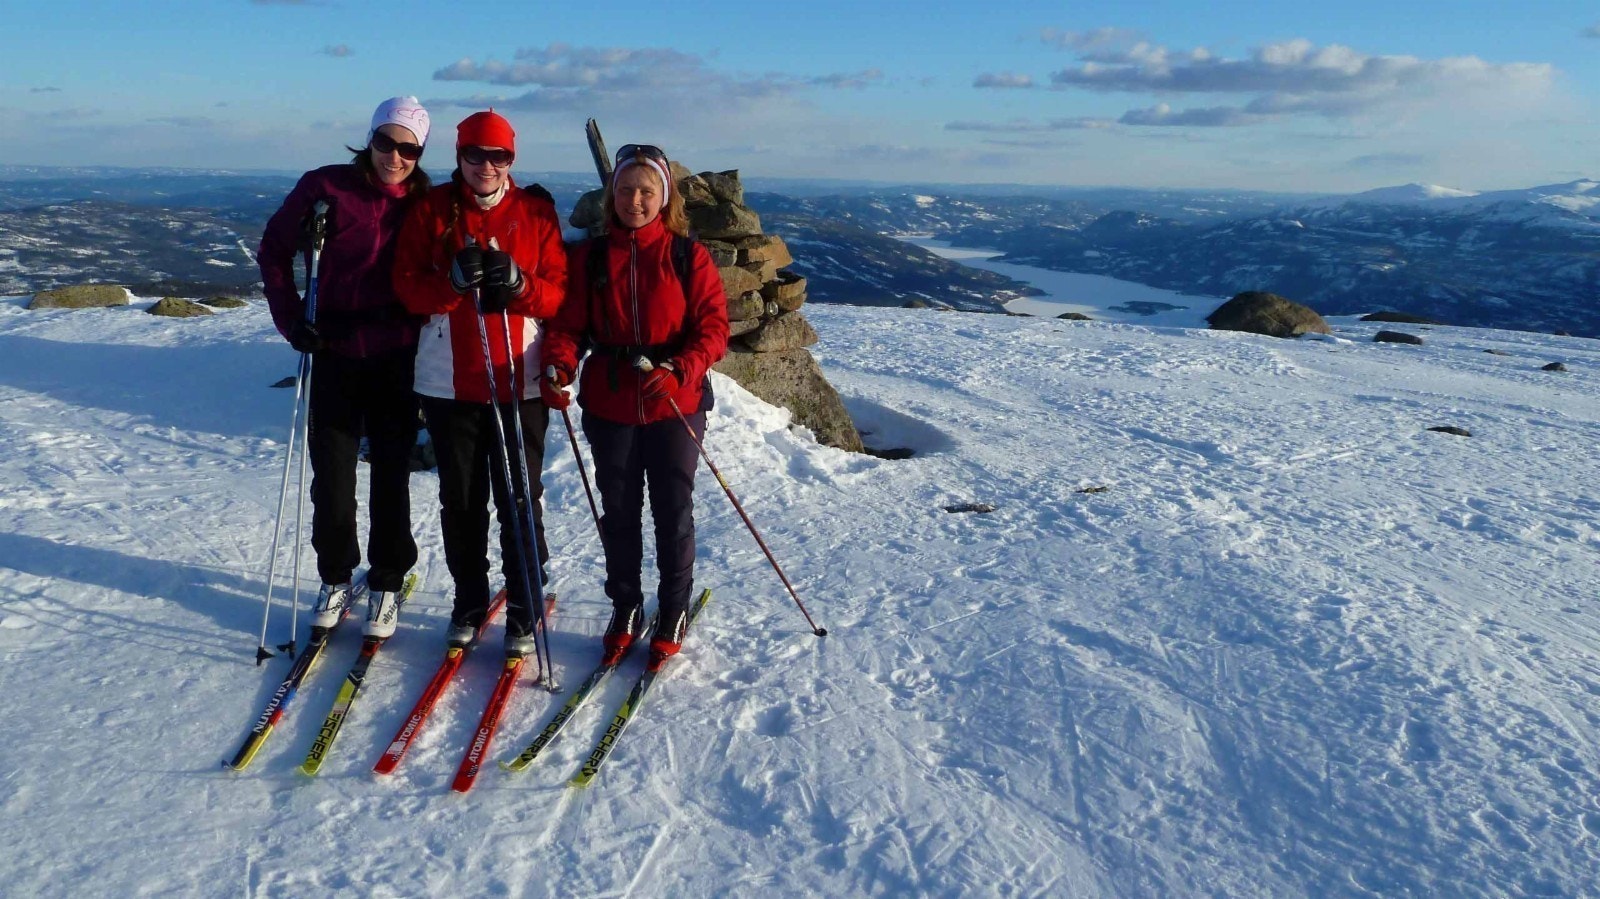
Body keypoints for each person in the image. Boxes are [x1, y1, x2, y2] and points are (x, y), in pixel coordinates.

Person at [543, 143, 730, 666]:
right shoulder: (591, 257)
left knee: (673, 510)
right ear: (612, 195)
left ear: (664, 197)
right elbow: (567, 325)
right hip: (611, 401)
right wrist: (558, 366)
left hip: (675, 402)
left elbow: (714, 328)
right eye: (626, 189)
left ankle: (672, 609)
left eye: (647, 191)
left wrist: (681, 368)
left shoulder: (686, 256)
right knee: (620, 511)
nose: (636, 200)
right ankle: (624, 604)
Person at [392, 110, 567, 655]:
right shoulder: (430, 211)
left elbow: (559, 294)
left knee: (519, 498)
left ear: (511, 160)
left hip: (521, 380)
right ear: (459, 154)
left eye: (499, 156)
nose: (486, 166)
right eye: (475, 154)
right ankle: (468, 599)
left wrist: (520, 283)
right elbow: (407, 289)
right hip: (448, 383)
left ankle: (523, 603)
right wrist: (449, 282)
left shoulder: (535, 214)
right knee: (460, 501)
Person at [258, 96, 432, 639]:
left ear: (420, 152)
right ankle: (335, 575)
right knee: (332, 476)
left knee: (390, 474)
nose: (395, 157)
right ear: (371, 138)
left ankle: (385, 581)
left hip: (398, 353)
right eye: (386, 142)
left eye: (409, 148)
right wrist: (292, 323)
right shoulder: (326, 186)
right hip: (333, 347)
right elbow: (274, 249)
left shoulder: (425, 200)